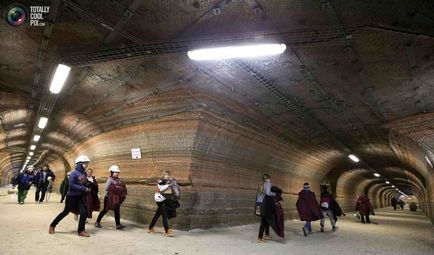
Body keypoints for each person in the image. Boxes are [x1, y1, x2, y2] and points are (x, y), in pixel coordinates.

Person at [49, 155, 92, 237]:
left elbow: (83, 183)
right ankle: (52, 225)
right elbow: (71, 184)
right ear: (80, 164)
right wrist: (83, 188)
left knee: (83, 212)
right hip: (71, 196)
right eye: (85, 163)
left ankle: (81, 230)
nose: (86, 165)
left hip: (80, 196)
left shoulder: (83, 174)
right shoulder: (74, 173)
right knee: (66, 212)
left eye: (87, 164)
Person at [147, 171, 179, 237]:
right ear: (163, 176)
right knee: (164, 214)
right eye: (166, 175)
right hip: (159, 199)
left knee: (158, 214)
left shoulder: (168, 182)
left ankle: (150, 228)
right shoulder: (160, 182)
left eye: (168, 176)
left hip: (164, 199)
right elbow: (161, 189)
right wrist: (168, 185)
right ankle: (167, 230)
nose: (168, 177)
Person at [95, 165, 127, 230]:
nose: (117, 173)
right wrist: (114, 189)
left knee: (117, 211)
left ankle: (118, 225)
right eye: (116, 172)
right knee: (105, 210)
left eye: (118, 172)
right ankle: (97, 222)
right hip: (109, 198)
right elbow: (106, 188)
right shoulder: (110, 179)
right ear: (112, 172)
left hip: (116, 198)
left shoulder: (119, 180)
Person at [256, 174, 284, 243]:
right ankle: (260, 238)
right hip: (265, 205)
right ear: (268, 178)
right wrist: (274, 194)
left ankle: (267, 234)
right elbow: (268, 193)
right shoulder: (268, 183)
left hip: (259, 204)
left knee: (266, 220)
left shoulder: (261, 184)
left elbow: (259, 195)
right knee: (264, 221)